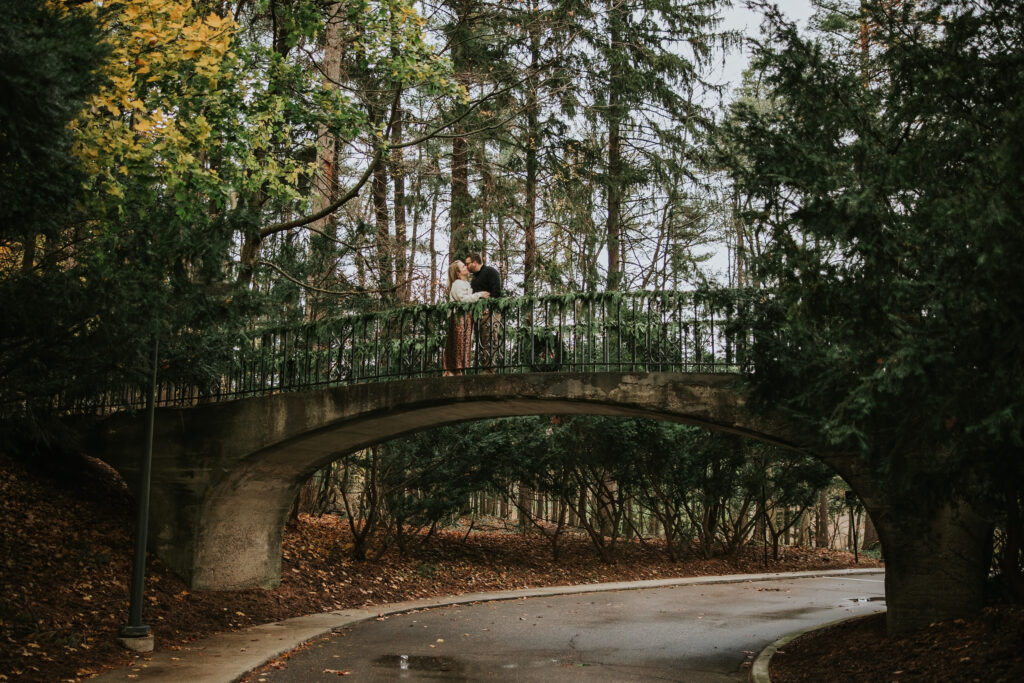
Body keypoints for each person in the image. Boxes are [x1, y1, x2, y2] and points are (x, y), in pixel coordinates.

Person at [443, 260, 489, 376]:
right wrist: (479, 295)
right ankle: (456, 370)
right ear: (458, 273)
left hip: (466, 317)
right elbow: (463, 299)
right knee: (459, 343)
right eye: (463, 266)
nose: (466, 267)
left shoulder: (466, 283)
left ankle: (460, 369)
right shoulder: (457, 283)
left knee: (465, 342)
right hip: (459, 317)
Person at [466, 253, 502, 373]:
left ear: (475, 262)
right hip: (479, 314)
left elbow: (497, 292)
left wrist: (488, 306)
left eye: (468, 263)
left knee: (490, 339)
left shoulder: (490, 272)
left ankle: (490, 369)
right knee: (481, 341)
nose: (466, 266)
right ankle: (484, 367)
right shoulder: (474, 277)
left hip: (490, 312)